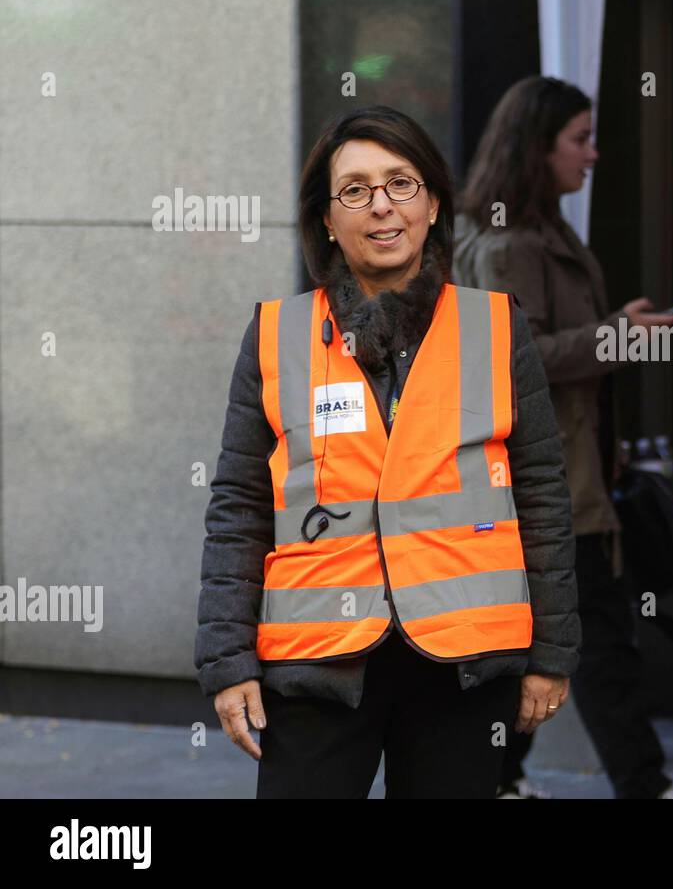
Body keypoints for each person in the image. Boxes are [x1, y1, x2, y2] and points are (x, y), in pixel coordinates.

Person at [195, 105, 579, 798]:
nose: (382, 207)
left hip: (464, 661)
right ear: (326, 222)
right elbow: (240, 505)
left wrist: (552, 653)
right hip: (317, 664)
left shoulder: (495, 326)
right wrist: (228, 660)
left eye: (401, 183)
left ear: (433, 204)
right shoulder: (276, 336)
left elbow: (543, 494)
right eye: (355, 190)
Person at [453, 75, 673, 799]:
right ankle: (644, 786)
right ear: (537, 147)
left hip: (565, 473)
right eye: (579, 139)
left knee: (540, 640)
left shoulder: (541, 228)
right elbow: (518, 359)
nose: (594, 154)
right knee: (597, 643)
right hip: (548, 481)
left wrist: (612, 326)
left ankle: (499, 780)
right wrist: (619, 336)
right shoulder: (505, 243)